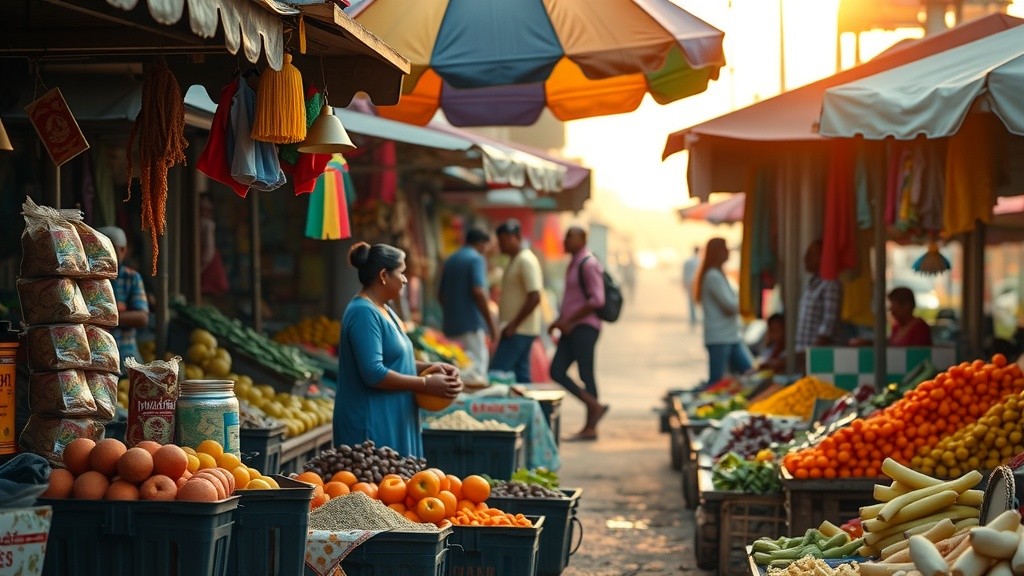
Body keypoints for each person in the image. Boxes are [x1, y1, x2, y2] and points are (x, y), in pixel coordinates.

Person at [335, 242, 463, 457]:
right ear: (384, 275)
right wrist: (424, 383)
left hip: (394, 417)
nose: (405, 279)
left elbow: (395, 361)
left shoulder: (385, 308)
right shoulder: (363, 313)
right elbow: (373, 373)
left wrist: (430, 367)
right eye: (402, 272)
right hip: (371, 425)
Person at [548, 226, 610, 441]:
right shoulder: (574, 263)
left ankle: (591, 426)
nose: (565, 241)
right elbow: (574, 299)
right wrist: (559, 321)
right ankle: (594, 406)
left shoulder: (588, 263)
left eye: (569, 237)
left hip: (584, 327)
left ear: (582, 239)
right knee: (556, 370)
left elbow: (597, 299)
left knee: (586, 373)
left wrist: (569, 320)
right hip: (571, 327)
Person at [438, 227, 498, 384]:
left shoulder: (450, 260)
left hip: (450, 326)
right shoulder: (476, 259)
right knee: (475, 374)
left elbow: (440, 295)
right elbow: (478, 291)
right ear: (481, 244)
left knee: (456, 370)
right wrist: (491, 325)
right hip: (471, 325)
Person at [489, 219, 543, 384]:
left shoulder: (525, 260)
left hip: (519, 329)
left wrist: (513, 324)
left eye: (504, 240)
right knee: (521, 376)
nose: (501, 245)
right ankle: (540, 410)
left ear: (516, 237)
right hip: (517, 329)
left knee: (497, 373)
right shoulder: (515, 260)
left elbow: (535, 295)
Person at [695, 237, 753, 387]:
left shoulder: (718, 275)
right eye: (725, 249)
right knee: (716, 382)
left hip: (729, 336)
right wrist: (746, 297)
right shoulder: (713, 276)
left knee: (748, 373)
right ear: (718, 252)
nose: (728, 252)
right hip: (720, 337)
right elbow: (730, 305)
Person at [98, 226, 150, 370]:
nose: (107, 253)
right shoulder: (91, 279)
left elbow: (141, 317)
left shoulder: (132, 277)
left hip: (127, 355)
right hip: (99, 356)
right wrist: (122, 315)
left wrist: (103, 318)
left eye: (112, 248)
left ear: (123, 251)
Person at [795, 239, 843, 368]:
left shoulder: (830, 284)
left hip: (820, 357)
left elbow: (828, 325)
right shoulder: (813, 283)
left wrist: (811, 353)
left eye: (811, 254)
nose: (806, 258)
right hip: (806, 353)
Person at [849, 287, 933, 347]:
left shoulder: (919, 327)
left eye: (894, 306)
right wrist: (867, 343)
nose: (891, 310)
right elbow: (890, 344)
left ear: (907, 306)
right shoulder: (897, 327)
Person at [682, 246, 700, 330]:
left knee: (691, 303)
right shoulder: (700, 261)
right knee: (697, 303)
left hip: (690, 283)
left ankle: (693, 320)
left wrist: (684, 284)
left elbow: (684, 274)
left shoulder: (688, 261)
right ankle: (695, 319)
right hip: (696, 284)